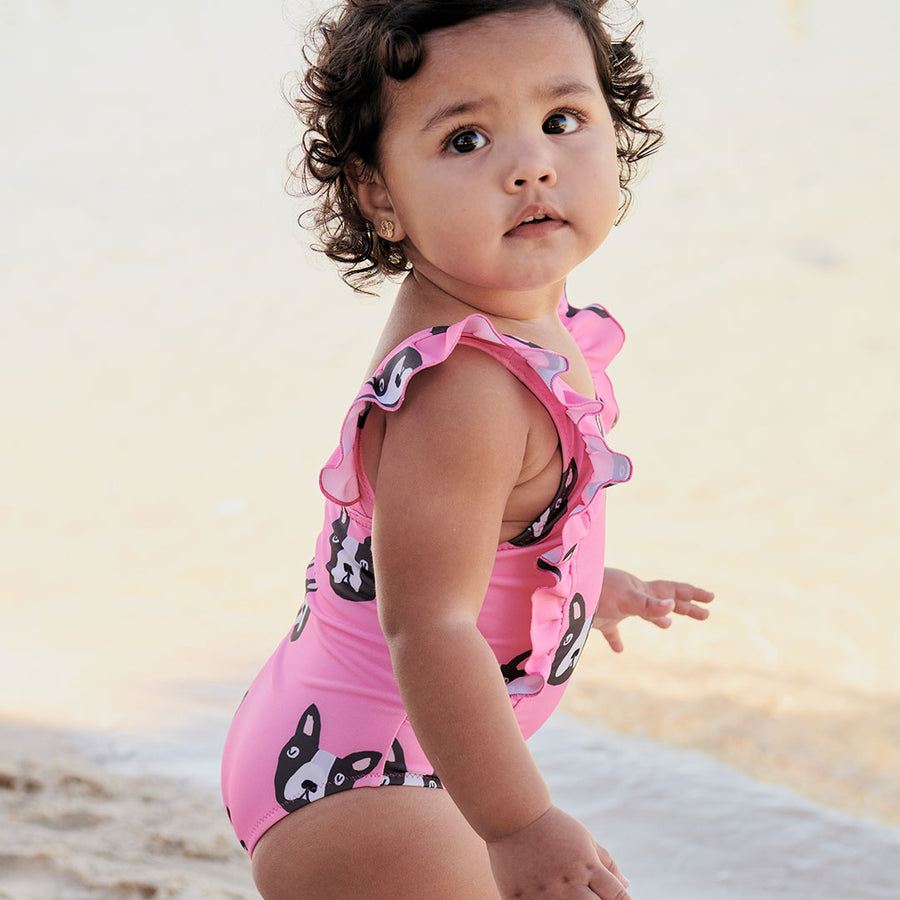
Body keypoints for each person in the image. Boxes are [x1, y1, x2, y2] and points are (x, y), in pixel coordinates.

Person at [221, 1, 714, 897]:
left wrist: (581, 589)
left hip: (351, 743)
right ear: (380, 196)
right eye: (466, 140)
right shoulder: (468, 388)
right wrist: (520, 825)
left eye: (561, 120)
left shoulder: (510, 318)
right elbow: (430, 625)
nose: (531, 166)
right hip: (367, 785)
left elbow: (459, 545)